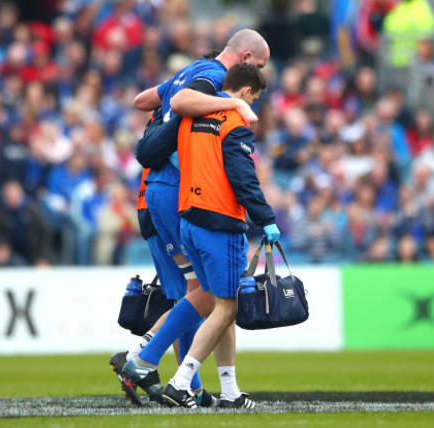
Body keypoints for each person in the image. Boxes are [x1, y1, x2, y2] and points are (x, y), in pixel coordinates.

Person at [121, 29, 270, 406]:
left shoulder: (190, 72)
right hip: (188, 196)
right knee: (211, 296)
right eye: (259, 69)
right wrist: (235, 106)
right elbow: (236, 169)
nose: (257, 81)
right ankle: (146, 360)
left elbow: (142, 100)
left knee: (203, 294)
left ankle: (197, 386)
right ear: (246, 59)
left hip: (159, 191)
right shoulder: (216, 86)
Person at [162, 63, 277, 409]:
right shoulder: (233, 122)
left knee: (219, 304)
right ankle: (180, 383)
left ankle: (230, 392)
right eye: (253, 99)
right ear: (244, 93)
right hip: (220, 223)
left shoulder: (190, 119)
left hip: (188, 220)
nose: (252, 106)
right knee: (227, 309)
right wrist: (266, 219)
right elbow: (243, 179)